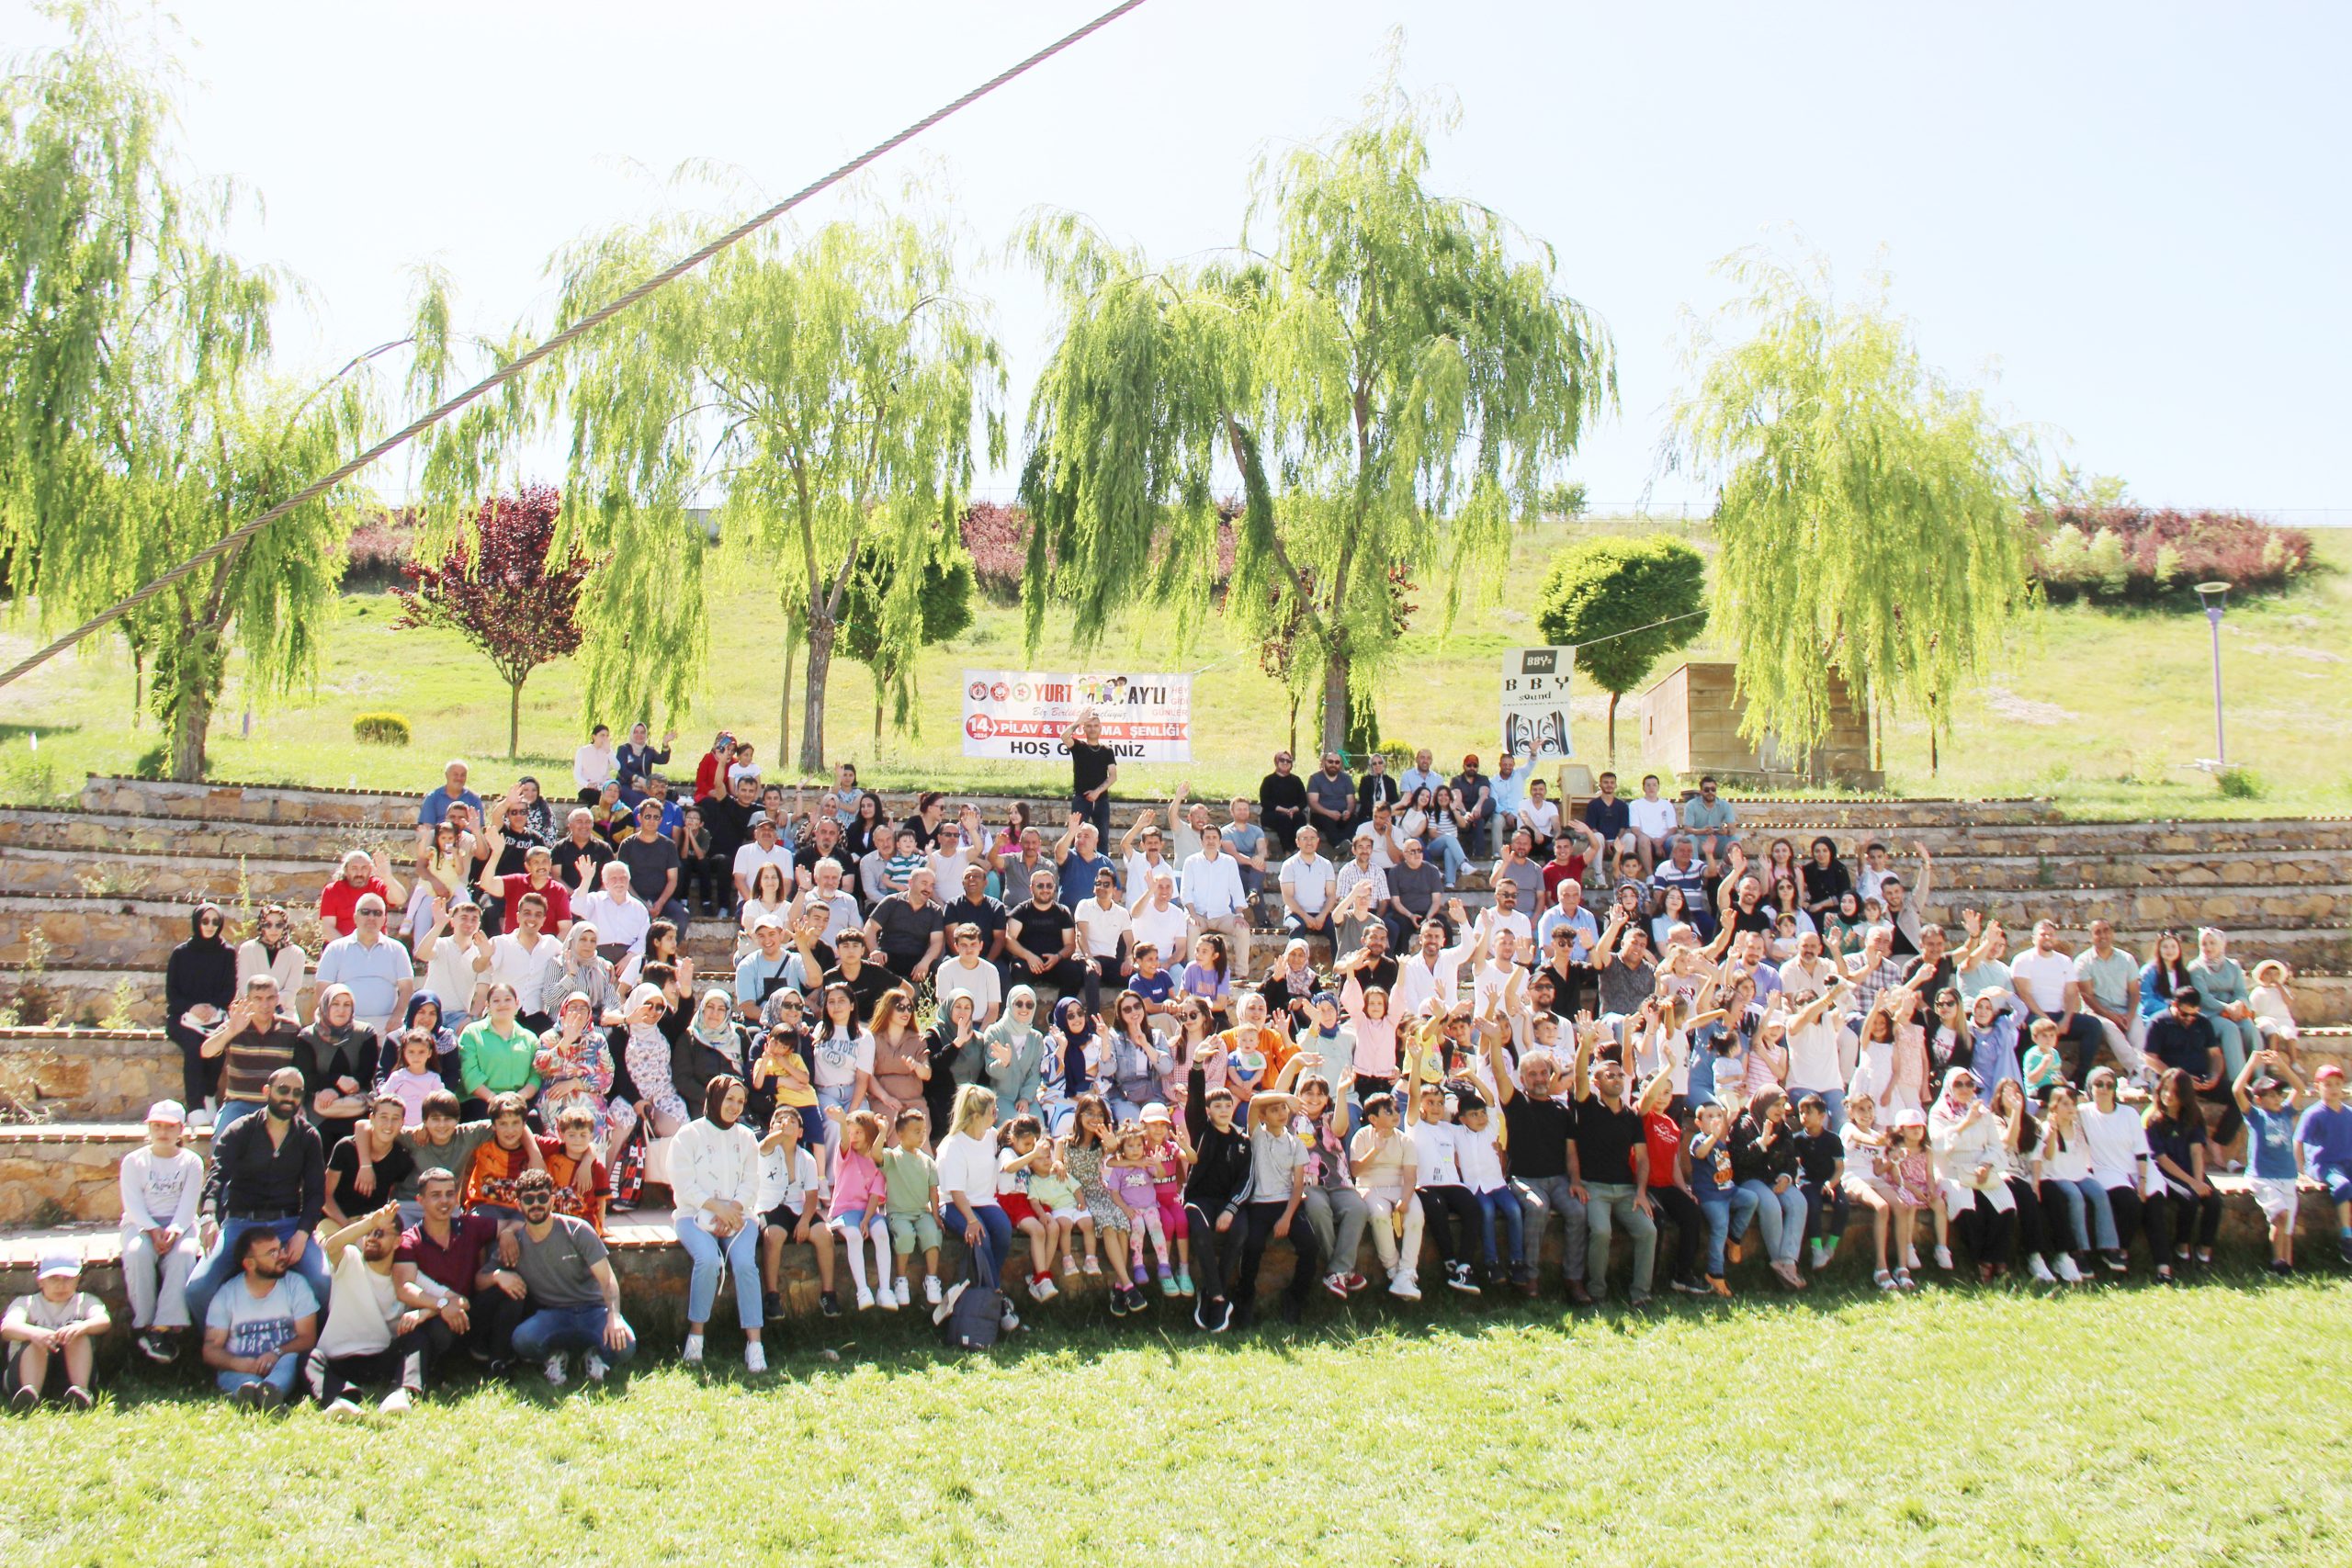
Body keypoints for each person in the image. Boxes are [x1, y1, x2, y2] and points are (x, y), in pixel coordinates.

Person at [185, 1066, 330, 1332]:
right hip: (241, 1225)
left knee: (322, 1282)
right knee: (198, 1289)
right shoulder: (240, 1129)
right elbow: (217, 1177)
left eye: (297, 1093)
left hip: (288, 1225)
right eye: (283, 1090)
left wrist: (302, 1233)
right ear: (267, 1091)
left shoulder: (308, 1136)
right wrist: (208, 1217)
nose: (290, 1097)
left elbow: (315, 1192)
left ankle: (309, 1346)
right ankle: (222, 1343)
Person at [670, 1075, 766, 1372]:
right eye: (729, 1099)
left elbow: (752, 1182)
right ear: (715, 1099)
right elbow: (683, 1183)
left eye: (740, 1102)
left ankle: (755, 1345)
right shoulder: (688, 1135)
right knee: (709, 1260)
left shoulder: (747, 1137)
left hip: (739, 1216)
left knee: (745, 1264)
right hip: (694, 1214)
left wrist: (732, 1210)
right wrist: (716, 1208)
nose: (735, 1107)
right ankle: (696, 1338)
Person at [508, 1169, 637, 1386]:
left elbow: (607, 1279)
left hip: (594, 1310)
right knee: (522, 1340)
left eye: (542, 1197)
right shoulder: (515, 1242)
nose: (536, 1204)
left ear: (553, 1200)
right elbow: (482, 1278)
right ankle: (555, 1356)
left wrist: (614, 1316)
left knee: (626, 1345)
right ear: (518, 1204)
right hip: (554, 1314)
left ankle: (596, 1357)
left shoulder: (577, 1230)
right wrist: (498, 1276)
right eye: (529, 1199)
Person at [307, 1202, 430, 1416]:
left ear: (398, 1241)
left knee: (417, 1338)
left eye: (379, 1233)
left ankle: (404, 1394)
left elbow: (452, 1300)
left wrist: (423, 1312)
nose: (371, 1237)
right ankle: (344, 1399)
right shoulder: (350, 1259)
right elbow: (332, 1246)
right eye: (368, 1233)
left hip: (380, 1358)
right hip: (338, 1360)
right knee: (307, 1357)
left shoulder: (404, 1275)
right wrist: (370, 1222)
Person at [119, 1100, 205, 1362]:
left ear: (181, 1130)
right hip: (141, 1224)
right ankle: (144, 1322)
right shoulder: (134, 1161)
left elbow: (189, 1203)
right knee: (138, 1253)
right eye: (156, 1126)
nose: (162, 1132)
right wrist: (152, 1229)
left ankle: (164, 1326)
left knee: (184, 1254)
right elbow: (132, 1203)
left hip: (180, 1224)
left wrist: (175, 1230)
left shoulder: (191, 1162)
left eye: (169, 1127)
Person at [200, 1226, 317, 1410]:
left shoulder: (296, 1285)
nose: (282, 1256)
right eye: (272, 1253)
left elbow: (308, 1338)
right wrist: (238, 1363)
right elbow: (211, 1349)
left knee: (291, 1360)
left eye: (281, 1248)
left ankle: (269, 1392)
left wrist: (276, 1353)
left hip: (280, 1362)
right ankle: (252, 1392)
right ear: (250, 1264)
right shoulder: (227, 1294)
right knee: (234, 1376)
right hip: (240, 1366)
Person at [1181, 1058, 1255, 1333]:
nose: (1224, 1110)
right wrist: (1197, 1065)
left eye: (1227, 1105)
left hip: (1228, 1204)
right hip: (1199, 1201)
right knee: (1199, 1231)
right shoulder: (1201, 1130)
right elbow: (1195, 1099)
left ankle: (1215, 1294)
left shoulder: (1243, 1141)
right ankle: (1218, 1296)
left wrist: (1231, 1210)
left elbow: (1247, 1180)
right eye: (1217, 1106)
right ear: (1208, 1111)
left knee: (1239, 1233)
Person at [164, 903, 239, 1123]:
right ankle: (195, 1106)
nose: (210, 926)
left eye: (215, 921)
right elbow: (172, 993)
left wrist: (212, 1007)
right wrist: (192, 1008)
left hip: (215, 1015)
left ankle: (209, 1095)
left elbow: (229, 990)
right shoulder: (181, 954)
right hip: (183, 1017)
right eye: (205, 921)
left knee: (218, 1041)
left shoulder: (227, 953)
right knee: (193, 1046)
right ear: (197, 922)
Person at [5, 1256, 106, 1411]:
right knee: (35, 1340)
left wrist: (83, 1327)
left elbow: (104, 1321)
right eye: (53, 1279)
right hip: (24, 1373)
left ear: (78, 1279)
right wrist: (34, 1333)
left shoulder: (85, 1301)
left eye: (68, 1279)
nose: (60, 1285)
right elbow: (7, 1328)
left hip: (68, 1374)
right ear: (40, 1281)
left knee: (76, 1333)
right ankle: (28, 1397)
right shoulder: (26, 1302)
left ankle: (81, 1393)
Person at [313, 895, 412, 1035]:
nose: (371, 917)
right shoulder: (335, 949)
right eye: (365, 912)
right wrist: (333, 1021)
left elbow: (406, 988)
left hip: (387, 1026)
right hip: (345, 1025)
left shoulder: (397, 950)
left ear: (384, 919)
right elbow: (323, 989)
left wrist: (398, 1016)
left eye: (377, 913)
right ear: (355, 917)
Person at [2295, 1064, 2352, 1265]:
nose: (2333, 1088)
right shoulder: (2313, 1113)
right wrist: (2301, 1171)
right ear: (2318, 1086)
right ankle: (2347, 1236)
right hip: (2324, 1164)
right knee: (2343, 1185)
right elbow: (2298, 1141)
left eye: (2337, 1084)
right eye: (2328, 1084)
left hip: (2348, 1162)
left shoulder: (2349, 1113)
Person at [1065, 709, 1118, 837]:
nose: (1092, 729)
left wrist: (1097, 792)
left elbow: (1113, 776)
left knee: (1102, 838)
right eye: (1089, 726)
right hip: (1080, 798)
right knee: (1075, 836)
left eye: (1095, 726)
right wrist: (1079, 721)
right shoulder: (1078, 746)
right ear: (1084, 729)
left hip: (1101, 800)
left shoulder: (1107, 750)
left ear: (1100, 728)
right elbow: (1064, 737)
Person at [1258, 750, 1310, 858]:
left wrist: (1294, 809)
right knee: (1284, 819)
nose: (1285, 763)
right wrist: (1283, 810)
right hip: (1272, 813)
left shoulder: (1296, 780)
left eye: (1288, 761)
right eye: (1282, 760)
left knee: (1300, 818)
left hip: (1293, 812)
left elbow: (1303, 801)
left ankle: (1298, 849)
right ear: (1276, 762)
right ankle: (1288, 851)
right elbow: (1265, 802)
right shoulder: (1268, 780)